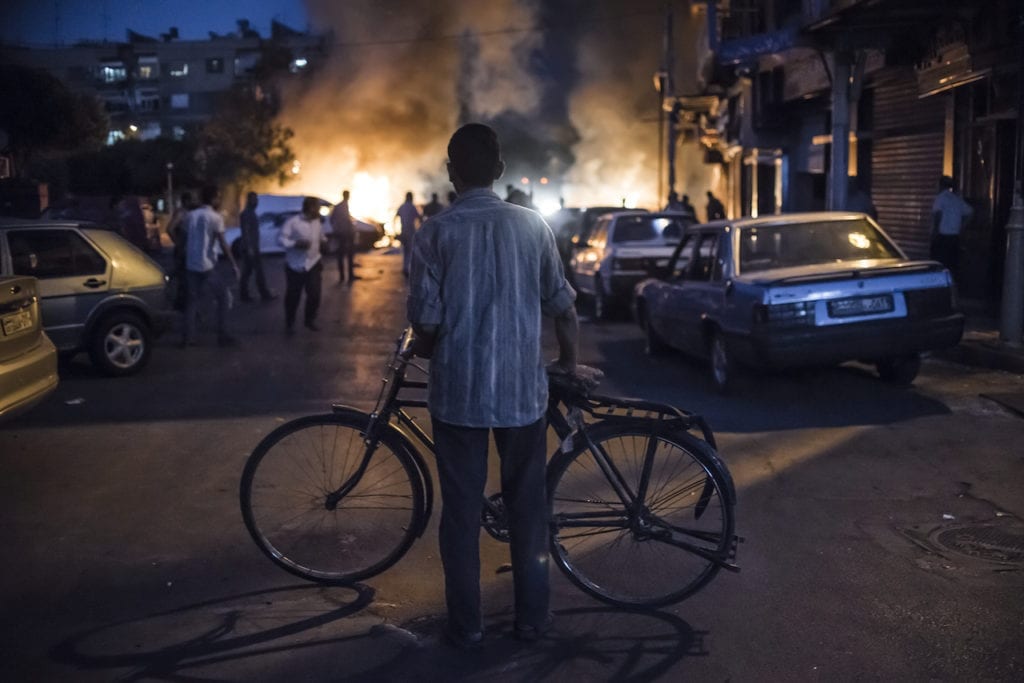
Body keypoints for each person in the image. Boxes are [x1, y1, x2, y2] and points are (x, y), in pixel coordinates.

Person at [407, 122, 579, 649]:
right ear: (500, 172)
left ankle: (467, 626)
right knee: (528, 507)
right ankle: (533, 618)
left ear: (451, 172)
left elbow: (427, 325)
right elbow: (563, 307)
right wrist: (568, 362)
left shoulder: (434, 233)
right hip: (522, 395)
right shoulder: (532, 228)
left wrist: (428, 350)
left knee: (459, 515)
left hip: (457, 396)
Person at [182, 185, 239, 347]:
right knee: (223, 298)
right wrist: (234, 264)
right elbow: (223, 242)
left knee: (192, 302)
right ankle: (223, 334)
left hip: (191, 264)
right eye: (218, 197)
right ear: (213, 198)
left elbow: (185, 237)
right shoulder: (215, 217)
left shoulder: (190, 216)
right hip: (207, 265)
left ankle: (188, 338)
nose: (220, 200)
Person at [280, 196, 326, 333]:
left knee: (314, 294)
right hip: (295, 265)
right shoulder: (293, 223)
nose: (319, 209)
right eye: (317, 206)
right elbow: (281, 239)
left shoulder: (317, 222)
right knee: (293, 296)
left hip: (313, 263)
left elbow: (320, 236)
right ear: (310, 207)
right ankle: (290, 322)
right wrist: (295, 244)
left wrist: (324, 241)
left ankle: (309, 320)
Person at [930, 175, 973, 275]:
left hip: (942, 238)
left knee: (939, 265)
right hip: (954, 238)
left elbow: (937, 216)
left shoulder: (940, 198)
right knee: (952, 266)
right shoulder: (956, 199)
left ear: (941, 185)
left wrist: (934, 234)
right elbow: (970, 212)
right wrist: (962, 227)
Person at [238, 192, 277, 302]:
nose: (256, 202)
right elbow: (245, 231)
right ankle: (264, 293)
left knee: (247, 272)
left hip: (251, 247)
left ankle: (244, 295)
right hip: (250, 248)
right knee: (258, 271)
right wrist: (250, 248)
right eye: (254, 199)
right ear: (249, 200)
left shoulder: (251, 213)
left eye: (256, 199)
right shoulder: (246, 214)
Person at [165, 191, 195, 311]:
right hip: (182, 250)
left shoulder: (186, 213)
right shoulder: (181, 213)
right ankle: (181, 305)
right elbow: (170, 228)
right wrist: (177, 242)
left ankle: (180, 303)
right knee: (183, 277)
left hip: (185, 249)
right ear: (186, 201)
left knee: (183, 277)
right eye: (191, 200)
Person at [330, 189, 358, 284]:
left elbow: (332, 218)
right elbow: (347, 220)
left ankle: (344, 277)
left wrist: (336, 228)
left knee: (341, 255)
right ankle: (349, 276)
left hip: (340, 233)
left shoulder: (338, 206)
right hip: (345, 234)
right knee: (348, 255)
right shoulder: (343, 206)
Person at [395, 191, 422, 277]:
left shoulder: (402, 207)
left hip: (403, 231)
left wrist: (396, 231)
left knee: (405, 250)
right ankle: (407, 269)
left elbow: (395, 217)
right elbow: (419, 218)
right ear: (411, 197)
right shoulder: (412, 207)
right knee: (409, 251)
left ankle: (405, 268)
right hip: (410, 232)